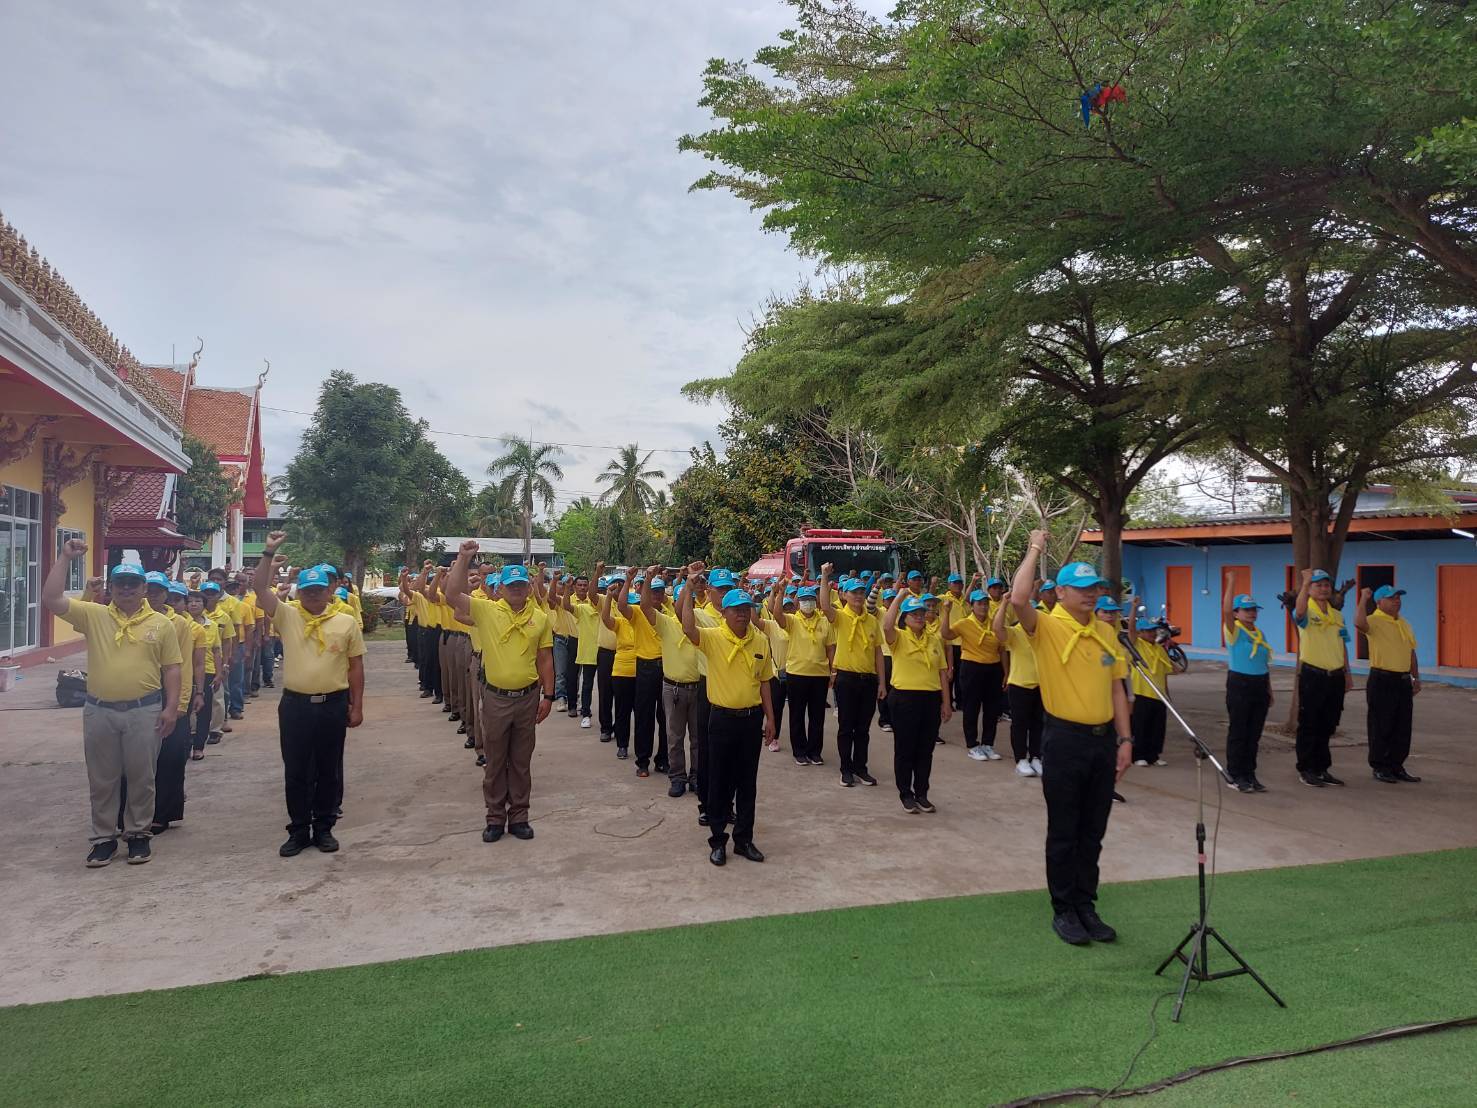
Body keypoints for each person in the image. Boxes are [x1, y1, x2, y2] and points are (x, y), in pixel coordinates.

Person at [1010, 532, 1131, 946]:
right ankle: (1064, 908)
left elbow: (1117, 688)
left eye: (1094, 587)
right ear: (1060, 592)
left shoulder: (1106, 632)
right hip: (1064, 740)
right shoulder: (1046, 626)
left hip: (1102, 742)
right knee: (1064, 830)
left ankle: (1086, 904)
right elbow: (1018, 599)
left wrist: (1125, 740)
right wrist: (1035, 548)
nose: (1091, 594)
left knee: (1093, 830)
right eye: (1081, 588)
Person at [42, 545, 181, 867]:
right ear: (111, 588)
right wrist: (64, 558)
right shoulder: (95, 615)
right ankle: (103, 838)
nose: (127, 589)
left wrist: (171, 708)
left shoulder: (161, 624)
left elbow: (172, 668)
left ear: (144, 588)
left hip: (144, 710)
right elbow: (51, 599)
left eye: (133, 583)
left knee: (142, 777)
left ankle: (138, 834)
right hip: (100, 711)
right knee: (102, 779)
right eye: (120, 583)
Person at [253, 535, 366, 857]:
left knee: (329, 769)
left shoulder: (345, 622)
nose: (313, 595)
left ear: (330, 591)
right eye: (307, 590)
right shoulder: (287, 615)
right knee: (296, 770)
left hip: (333, 704)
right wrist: (268, 552)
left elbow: (355, 667)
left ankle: (325, 827)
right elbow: (260, 589)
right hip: (296, 706)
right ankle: (300, 829)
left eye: (319, 589)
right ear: (298, 592)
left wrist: (357, 706)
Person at [447, 546, 555, 842]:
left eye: (521, 584)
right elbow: (452, 595)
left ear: (528, 588)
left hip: (528, 698)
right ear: (501, 589)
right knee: (495, 761)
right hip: (496, 698)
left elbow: (545, 658)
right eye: (511, 585)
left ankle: (519, 816)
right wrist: (463, 559)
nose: (516, 589)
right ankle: (495, 817)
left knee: (521, 761)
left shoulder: (540, 618)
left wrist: (548, 696)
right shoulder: (487, 611)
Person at [679, 563, 776, 867]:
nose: (742, 615)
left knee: (747, 783)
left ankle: (744, 840)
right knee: (719, 781)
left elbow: (764, 681)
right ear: (725, 613)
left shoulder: (760, 640)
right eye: (736, 610)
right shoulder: (713, 638)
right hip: (721, 719)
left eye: (746, 609)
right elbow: (688, 628)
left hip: (750, 720)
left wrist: (771, 718)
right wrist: (688, 588)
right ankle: (718, 840)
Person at [879, 589, 951, 814]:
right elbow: (887, 626)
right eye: (914, 614)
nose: (920, 617)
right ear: (905, 618)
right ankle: (906, 794)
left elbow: (942, 672)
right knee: (905, 749)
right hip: (904, 699)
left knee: (925, 750)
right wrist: (900, 597)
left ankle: (922, 793)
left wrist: (946, 702)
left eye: (922, 613)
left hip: (930, 699)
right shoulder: (899, 637)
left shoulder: (934, 640)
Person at [819, 564, 884, 787]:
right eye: (853, 592)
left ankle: (861, 768)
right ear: (844, 595)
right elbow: (824, 605)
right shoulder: (840, 617)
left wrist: (881, 682)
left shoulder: (872, 620)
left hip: (868, 679)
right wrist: (824, 576)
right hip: (846, 678)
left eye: (860, 592)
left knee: (863, 728)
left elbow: (877, 652)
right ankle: (846, 769)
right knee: (846, 727)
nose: (858, 596)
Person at [1354, 585, 1422, 784]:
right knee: (1381, 724)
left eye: (1398, 598)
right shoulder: (1374, 620)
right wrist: (1363, 599)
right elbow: (1358, 623)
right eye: (1391, 598)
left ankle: (1396, 765)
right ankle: (1380, 766)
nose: (1397, 601)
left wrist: (1416, 677)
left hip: (1403, 680)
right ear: (1379, 602)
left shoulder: (1404, 623)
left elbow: (1411, 652)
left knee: (1402, 726)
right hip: (1382, 679)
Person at [1293, 569, 1351, 788]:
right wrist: (1305, 582)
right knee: (1309, 723)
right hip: (1313, 675)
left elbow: (1342, 644)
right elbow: (1299, 612)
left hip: (1334, 676)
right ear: (1310, 589)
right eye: (1318, 585)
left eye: (1326, 585)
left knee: (1328, 724)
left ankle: (1321, 768)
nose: (1324, 589)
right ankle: (1306, 768)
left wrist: (1347, 673)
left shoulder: (1337, 615)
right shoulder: (1306, 609)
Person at [941, 579, 1006, 762]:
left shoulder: (994, 624)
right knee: (972, 707)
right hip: (972, 668)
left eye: (985, 603)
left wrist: (1006, 672)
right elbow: (946, 634)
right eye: (979, 604)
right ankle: (972, 745)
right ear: (971, 606)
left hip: (993, 668)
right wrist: (946, 613)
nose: (983, 607)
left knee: (992, 708)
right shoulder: (964, 623)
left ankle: (988, 744)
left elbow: (1002, 650)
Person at [771, 581, 834, 767]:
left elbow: (830, 648)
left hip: (820, 674)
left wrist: (833, 671)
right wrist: (781, 592)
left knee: (817, 716)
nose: (808, 603)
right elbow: (777, 615)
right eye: (804, 600)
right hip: (797, 674)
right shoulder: (793, 620)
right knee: (797, 715)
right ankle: (799, 751)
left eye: (811, 599)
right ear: (798, 602)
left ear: (816, 602)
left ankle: (814, 752)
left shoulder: (824, 621)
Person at [1221, 585, 1272, 792]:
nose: (1251, 613)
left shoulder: (1259, 633)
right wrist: (1231, 582)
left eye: (1254, 609)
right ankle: (1234, 774)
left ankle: (1249, 773)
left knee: (1254, 733)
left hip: (1260, 683)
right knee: (1239, 731)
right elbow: (1225, 611)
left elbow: (1263, 662)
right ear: (1236, 613)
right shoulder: (1233, 630)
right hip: (1240, 683)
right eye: (1246, 609)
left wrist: (1269, 689)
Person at [992, 592, 1043, 777]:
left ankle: (1036, 757)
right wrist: (1004, 604)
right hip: (1020, 685)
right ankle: (1021, 759)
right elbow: (997, 629)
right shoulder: (1015, 632)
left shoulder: (1043, 633)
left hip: (1041, 686)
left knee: (1038, 724)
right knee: (1020, 724)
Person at [1128, 618, 1174, 767]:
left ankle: (1153, 755)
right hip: (1141, 692)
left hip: (1159, 694)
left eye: (1153, 630)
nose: (1152, 634)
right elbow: (1131, 631)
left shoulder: (1159, 649)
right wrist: (1134, 609)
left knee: (1157, 727)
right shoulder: (1137, 645)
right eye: (1148, 631)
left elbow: (1164, 673)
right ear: (1140, 633)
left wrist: (1167, 693)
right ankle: (1138, 755)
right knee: (1140, 726)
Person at [186, 590, 223, 760]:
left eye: (198, 601)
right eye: (190, 601)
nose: (193, 604)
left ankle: (199, 746)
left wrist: (219, 673)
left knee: (204, 710)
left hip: (207, 671)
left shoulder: (212, 625)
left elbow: (216, 650)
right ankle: (185, 744)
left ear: (204, 605)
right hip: (186, 671)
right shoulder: (181, 623)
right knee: (185, 711)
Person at [563, 573, 600, 728]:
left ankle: (586, 711)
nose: (583, 588)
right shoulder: (573, 602)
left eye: (585, 585)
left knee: (588, 681)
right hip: (574, 641)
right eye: (580, 585)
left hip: (592, 644)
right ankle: (572, 705)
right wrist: (566, 588)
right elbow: (565, 606)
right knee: (572, 676)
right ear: (574, 586)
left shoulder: (596, 602)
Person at [201, 581, 236, 741]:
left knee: (218, 697)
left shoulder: (224, 617)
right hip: (197, 663)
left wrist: (226, 662)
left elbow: (227, 641)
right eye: (206, 593)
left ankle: (215, 729)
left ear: (218, 596)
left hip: (216, 662)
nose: (209, 596)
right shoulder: (194, 615)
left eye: (212, 594)